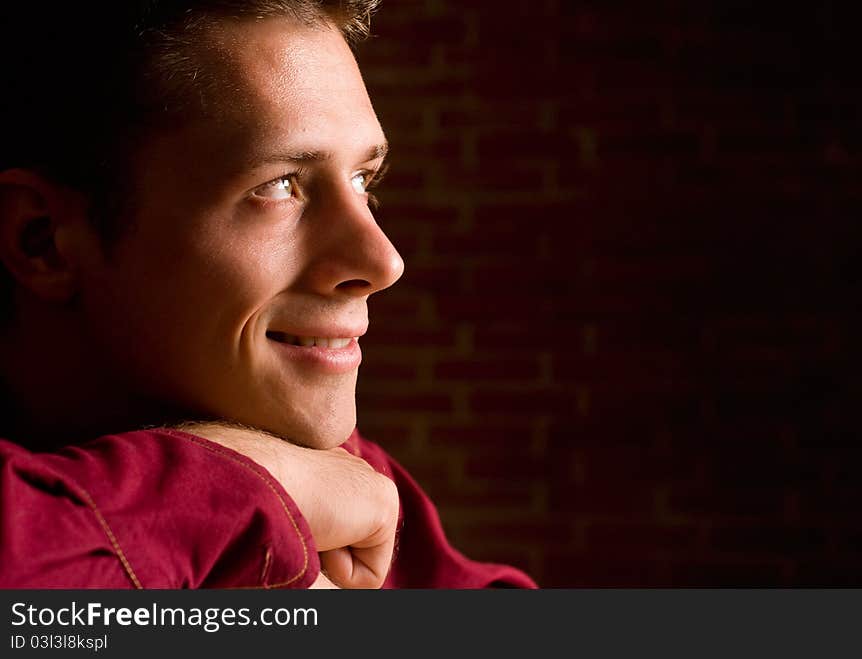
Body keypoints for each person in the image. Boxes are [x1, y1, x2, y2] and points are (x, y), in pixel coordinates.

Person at [0, 1, 536, 589]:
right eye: (279, 185)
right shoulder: (274, 481)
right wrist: (232, 487)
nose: (383, 262)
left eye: (364, 181)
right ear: (43, 240)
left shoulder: (338, 475)